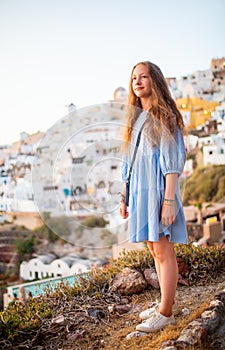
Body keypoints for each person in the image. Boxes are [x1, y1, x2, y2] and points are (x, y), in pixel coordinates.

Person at [120, 61, 188, 334]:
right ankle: (164, 302)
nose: (138, 81)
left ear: (154, 81)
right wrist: (125, 195)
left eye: (144, 76)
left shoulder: (164, 115)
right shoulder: (136, 117)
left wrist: (169, 201)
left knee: (163, 250)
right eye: (134, 77)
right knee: (153, 248)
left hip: (158, 190)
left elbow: (172, 162)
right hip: (138, 190)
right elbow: (129, 161)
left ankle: (166, 313)